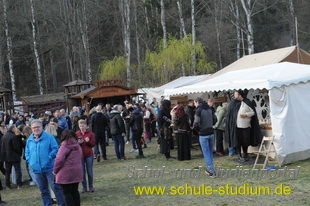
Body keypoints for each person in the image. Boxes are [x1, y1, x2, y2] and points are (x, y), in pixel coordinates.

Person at [25, 119, 65, 206]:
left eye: (38, 127)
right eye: (34, 127)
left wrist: (49, 158)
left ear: (42, 127)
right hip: (37, 170)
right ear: (31, 129)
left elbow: (55, 149)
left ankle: (62, 204)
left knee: (56, 188)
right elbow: (27, 152)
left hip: (49, 168)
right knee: (43, 191)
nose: (36, 129)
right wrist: (30, 160)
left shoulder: (49, 137)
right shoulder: (29, 140)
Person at [226, 90, 262, 162]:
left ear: (240, 95)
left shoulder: (247, 102)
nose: (234, 96)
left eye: (235, 94)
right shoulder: (233, 103)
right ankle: (239, 155)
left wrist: (246, 115)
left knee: (246, 141)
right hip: (236, 127)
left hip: (245, 126)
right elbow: (230, 115)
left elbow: (253, 112)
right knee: (237, 141)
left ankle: (245, 154)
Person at [53, 130, 83, 206]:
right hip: (77, 171)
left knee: (67, 193)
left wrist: (55, 171)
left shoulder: (64, 146)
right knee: (75, 191)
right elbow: (81, 156)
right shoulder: (77, 145)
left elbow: (59, 160)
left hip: (65, 173)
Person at [193, 97, 217, 177]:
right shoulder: (210, 109)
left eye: (194, 103)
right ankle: (210, 168)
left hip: (203, 133)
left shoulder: (199, 110)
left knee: (206, 153)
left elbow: (196, 122)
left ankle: (211, 171)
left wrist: (197, 130)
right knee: (210, 153)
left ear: (197, 102)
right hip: (211, 132)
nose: (194, 104)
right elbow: (215, 119)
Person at [0, 124, 23, 189]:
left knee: (7, 171)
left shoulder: (4, 136)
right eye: (15, 128)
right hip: (14, 156)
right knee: (17, 170)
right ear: (12, 129)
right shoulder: (14, 136)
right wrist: (19, 154)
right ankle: (19, 184)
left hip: (6, 156)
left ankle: (7, 185)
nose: (16, 129)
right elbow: (16, 147)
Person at [76, 119, 95, 193]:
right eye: (80, 126)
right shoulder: (77, 133)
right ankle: (84, 187)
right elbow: (74, 144)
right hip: (80, 155)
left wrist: (88, 141)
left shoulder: (90, 133)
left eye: (83, 126)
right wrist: (79, 143)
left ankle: (91, 186)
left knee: (89, 171)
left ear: (86, 126)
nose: (81, 128)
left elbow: (93, 144)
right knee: (82, 172)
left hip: (89, 154)